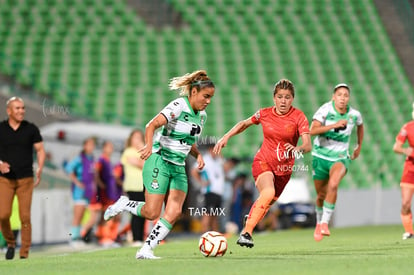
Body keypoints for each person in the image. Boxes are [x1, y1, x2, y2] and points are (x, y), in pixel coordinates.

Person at [104, 70, 215, 259]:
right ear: (193, 92)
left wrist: (197, 155)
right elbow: (151, 125)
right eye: (206, 96)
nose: (208, 101)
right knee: (151, 211)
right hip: (160, 160)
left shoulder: (202, 116)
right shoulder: (179, 105)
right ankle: (124, 203)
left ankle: (146, 249)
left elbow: (187, 141)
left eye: (211, 97)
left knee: (173, 212)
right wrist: (148, 145)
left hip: (178, 167)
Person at [213, 79, 311, 248]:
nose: (283, 100)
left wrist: (298, 148)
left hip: (284, 170)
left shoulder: (298, 117)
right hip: (263, 162)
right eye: (280, 96)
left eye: (287, 97)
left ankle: (251, 218)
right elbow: (244, 124)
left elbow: (307, 145)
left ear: (292, 99)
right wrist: (226, 137)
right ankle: (246, 233)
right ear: (274, 98)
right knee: (267, 192)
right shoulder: (264, 113)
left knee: (267, 203)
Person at [310, 83, 364, 241]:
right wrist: (333, 125)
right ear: (334, 97)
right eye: (339, 95)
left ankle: (325, 223)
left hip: (340, 157)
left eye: (345, 95)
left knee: (333, 185)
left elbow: (360, 126)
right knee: (320, 194)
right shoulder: (325, 110)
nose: (342, 98)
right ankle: (319, 223)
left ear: (349, 98)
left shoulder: (354, 114)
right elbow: (312, 130)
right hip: (320, 156)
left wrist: (359, 146)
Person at [0, 96, 45, 259]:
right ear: (9, 111)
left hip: (26, 179)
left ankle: (24, 252)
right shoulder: (1, 128)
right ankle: (10, 242)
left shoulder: (31, 128)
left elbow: (40, 149)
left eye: (23, 108)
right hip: (5, 179)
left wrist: (40, 167)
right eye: (17, 108)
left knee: (24, 216)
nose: (21, 111)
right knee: (3, 214)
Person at [65, 137, 96, 244]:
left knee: (85, 216)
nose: (91, 147)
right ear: (84, 146)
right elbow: (69, 168)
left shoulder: (91, 159)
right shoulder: (80, 158)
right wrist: (77, 182)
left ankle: (79, 236)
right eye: (89, 145)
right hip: (79, 191)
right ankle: (74, 238)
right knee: (77, 215)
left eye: (93, 145)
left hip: (87, 191)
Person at [190, 144, 225, 232]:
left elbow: (224, 169)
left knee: (215, 216)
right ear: (210, 150)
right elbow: (194, 171)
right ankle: (204, 235)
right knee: (208, 214)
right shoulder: (205, 159)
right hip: (210, 191)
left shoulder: (218, 160)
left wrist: (220, 156)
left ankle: (215, 236)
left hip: (218, 192)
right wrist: (201, 182)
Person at [120, 129, 146, 246]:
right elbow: (142, 165)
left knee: (144, 212)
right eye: (135, 138)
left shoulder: (144, 151)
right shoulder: (128, 151)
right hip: (133, 186)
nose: (137, 140)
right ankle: (135, 238)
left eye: (140, 138)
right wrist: (142, 150)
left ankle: (140, 237)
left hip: (143, 185)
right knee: (136, 212)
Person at [393, 102, 414, 240]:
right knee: (405, 203)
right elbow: (396, 147)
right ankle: (409, 231)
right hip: (410, 169)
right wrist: (407, 150)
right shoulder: (407, 127)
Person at [95, 141, 121, 246]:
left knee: (111, 214)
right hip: (105, 192)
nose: (111, 149)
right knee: (106, 214)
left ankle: (110, 237)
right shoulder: (101, 160)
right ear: (104, 148)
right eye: (109, 147)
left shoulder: (109, 161)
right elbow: (95, 172)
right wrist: (100, 184)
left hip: (111, 192)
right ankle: (104, 237)